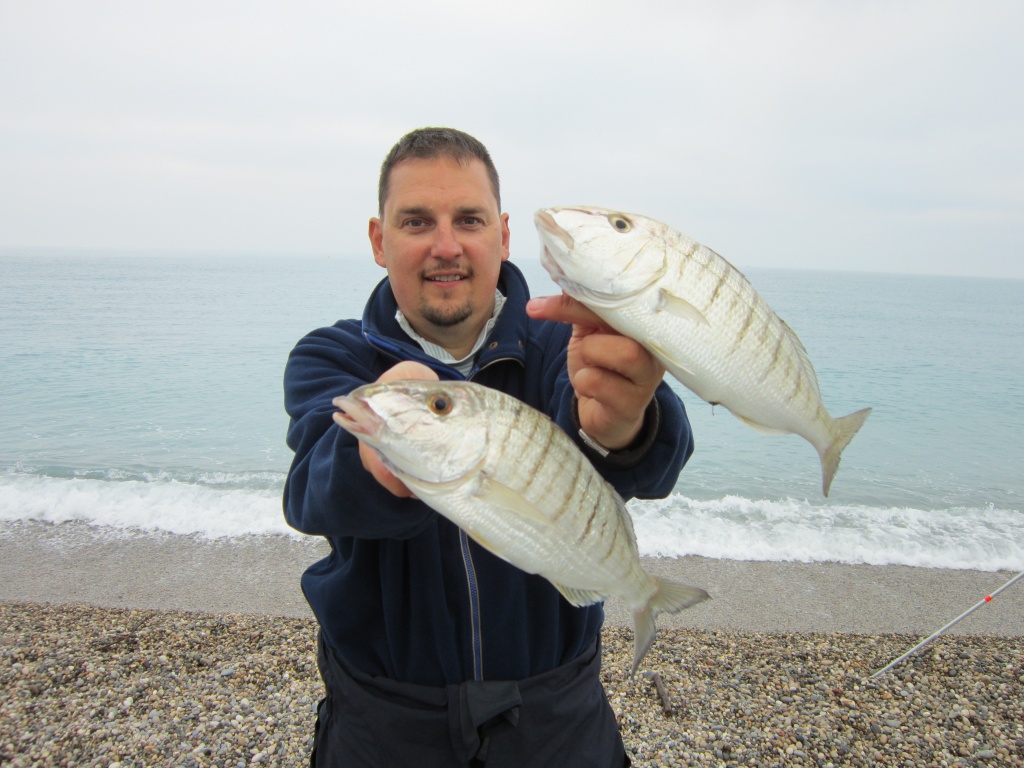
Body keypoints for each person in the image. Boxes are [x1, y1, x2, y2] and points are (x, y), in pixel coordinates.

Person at [283, 127, 694, 767]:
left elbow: (653, 462)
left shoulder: (560, 344)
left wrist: (626, 422)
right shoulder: (333, 358)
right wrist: (381, 454)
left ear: (502, 236)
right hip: (382, 724)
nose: (446, 246)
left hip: (557, 719)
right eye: (416, 221)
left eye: (468, 220)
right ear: (377, 239)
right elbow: (310, 492)